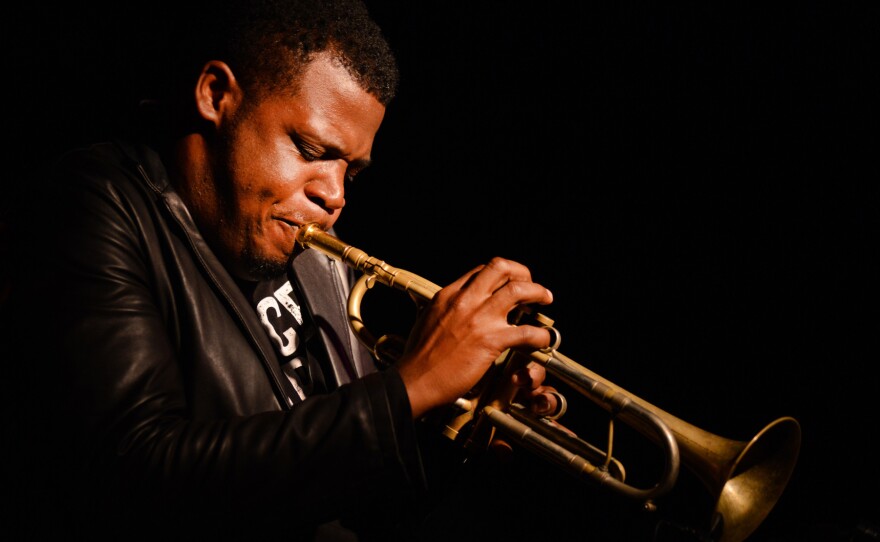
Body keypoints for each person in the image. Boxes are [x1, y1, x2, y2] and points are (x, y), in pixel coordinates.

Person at [0, 1, 563, 540]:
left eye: (352, 170)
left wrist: (444, 427)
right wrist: (410, 387)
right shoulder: (97, 205)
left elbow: (358, 508)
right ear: (216, 95)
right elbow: (135, 476)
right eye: (311, 148)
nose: (335, 194)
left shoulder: (320, 259)